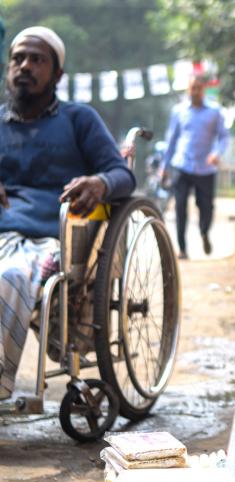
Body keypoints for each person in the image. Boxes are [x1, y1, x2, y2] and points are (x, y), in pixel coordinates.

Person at [0, 26, 136, 400]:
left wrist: (99, 183)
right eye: (18, 58)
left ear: (57, 74)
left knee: (9, 276)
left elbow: (122, 174)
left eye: (37, 59)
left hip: (51, 240)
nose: (25, 66)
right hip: (3, 234)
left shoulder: (79, 119)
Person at [163, 76, 229, 259]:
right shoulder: (178, 111)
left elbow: (223, 137)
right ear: (187, 89)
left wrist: (216, 153)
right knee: (180, 207)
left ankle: (204, 232)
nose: (195, 92)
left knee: (206, 206)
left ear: (204, 90)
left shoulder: (215, 111)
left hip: (205, 168)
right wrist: (164, 166)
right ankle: (182, 249)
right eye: (192, 88)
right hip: (181, 165)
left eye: (198, 88)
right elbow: (171, 139)